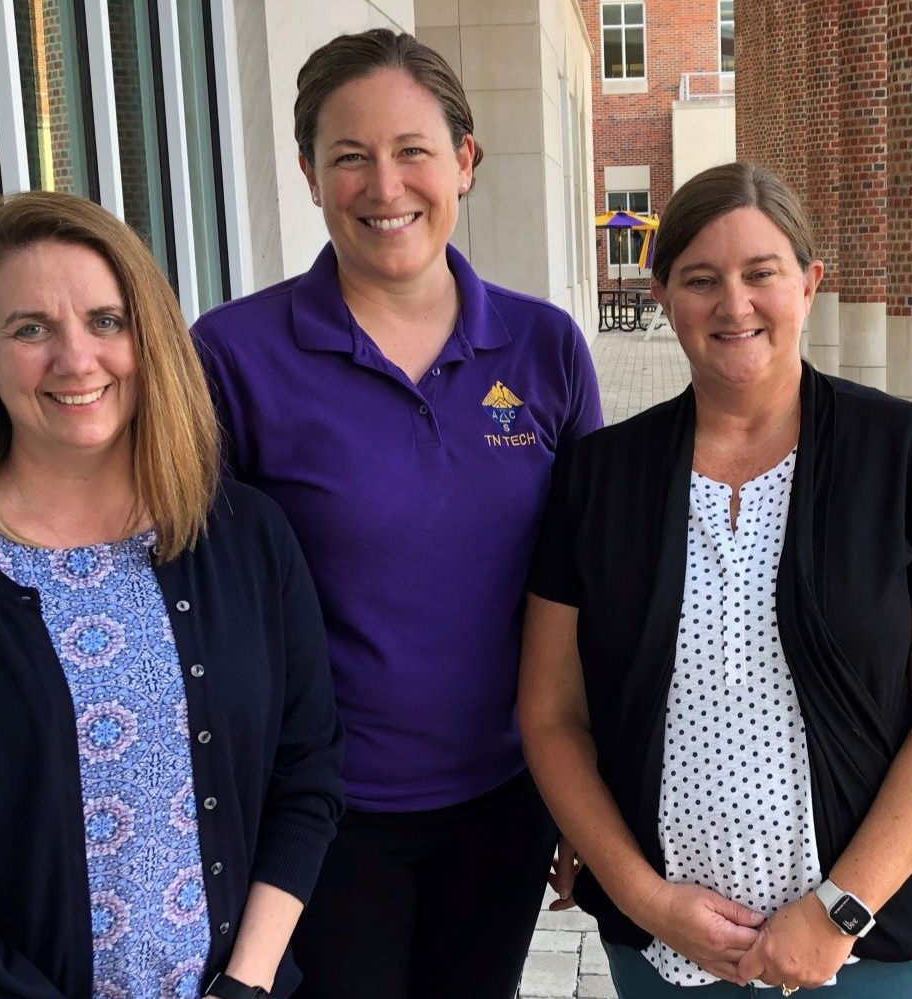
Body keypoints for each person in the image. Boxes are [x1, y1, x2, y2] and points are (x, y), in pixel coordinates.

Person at [0, 190, 343, 999]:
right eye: (30, 327)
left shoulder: (245, 536)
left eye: (106, 320)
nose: (76, 358)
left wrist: (244, 983)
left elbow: (307, 772)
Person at [519, 161, 912, 998]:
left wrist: (836, 911)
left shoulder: (909, 455)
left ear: (809, 284)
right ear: (664, 294)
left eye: (760, 274)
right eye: (701, 279)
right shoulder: (598, 478)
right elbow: (551, 713)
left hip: (881, 942)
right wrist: (643, 898)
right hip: (667, 948)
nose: (733, 305)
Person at [191, 28, 603, 999]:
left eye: (412, 150)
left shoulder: (543, 347)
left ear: (463, 160)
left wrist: (591, 799)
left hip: (506, 799)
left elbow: (593, 588)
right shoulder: (232, 358)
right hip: (321, 817)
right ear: (306, 172)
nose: (385, 185)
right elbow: (196, 593)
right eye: (349, 156)